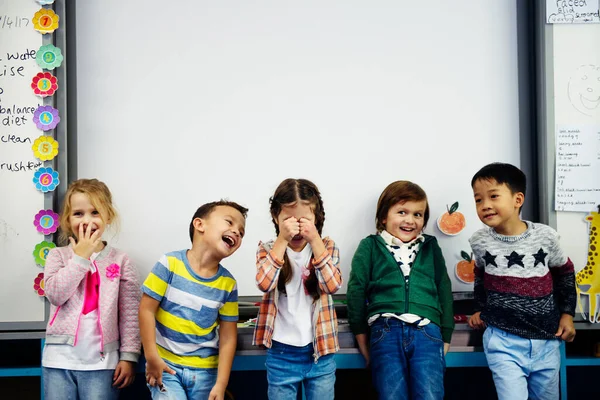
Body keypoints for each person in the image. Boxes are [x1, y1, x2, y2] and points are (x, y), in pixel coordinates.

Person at [468, 162, 576, 400]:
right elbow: (481, 276)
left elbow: (565, 273)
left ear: (518, 200)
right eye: (478, 200)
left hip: (546, 340)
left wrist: (568, 314)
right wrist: (479, 309)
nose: (485, 205)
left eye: (493, 196)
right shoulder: (478, 241)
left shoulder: (546, 236)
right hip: (502, 340)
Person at [347, 180, 454, 400]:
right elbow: (355, 292)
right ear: (384, 217)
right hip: (385, 331)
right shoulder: (370, 246)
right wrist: (361, 339)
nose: (410, 220)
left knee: (430, 396)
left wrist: (446, 335)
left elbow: (443, 287)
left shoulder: (430, 246)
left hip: (427, 332)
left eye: (418, 214)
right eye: (402, 212)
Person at [43, 178, 141, 400]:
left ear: (108, 217)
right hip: (59, 360)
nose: (87, 220)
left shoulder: (121, 260)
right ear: (67, 220)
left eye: (95, 212)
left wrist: (128, 357)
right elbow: (56, 295)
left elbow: (130, 314)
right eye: (78, 213)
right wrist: (81, 257)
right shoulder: (57, 256)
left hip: (102, 364)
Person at [139, 200, 247, 400]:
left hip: (205, 372)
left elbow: (228, 337)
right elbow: (146, 310)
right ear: (199, 225)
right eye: (229, 222)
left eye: (241, 232)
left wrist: (221, 385)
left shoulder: (228, 284)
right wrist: (151, 357)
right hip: (166, 367)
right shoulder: (169, 264)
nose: (236, 232)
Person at [253, 178, 342, 400]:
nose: (297, 227)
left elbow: (332, 285)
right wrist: (282, 240)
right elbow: (264, 283)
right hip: (281, 353)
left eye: (304, 220)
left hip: (320, 351)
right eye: (288, 220)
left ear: (316, 218)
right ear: (276, 217)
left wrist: (315, 241)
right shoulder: (267, 249)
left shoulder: (327, 247)